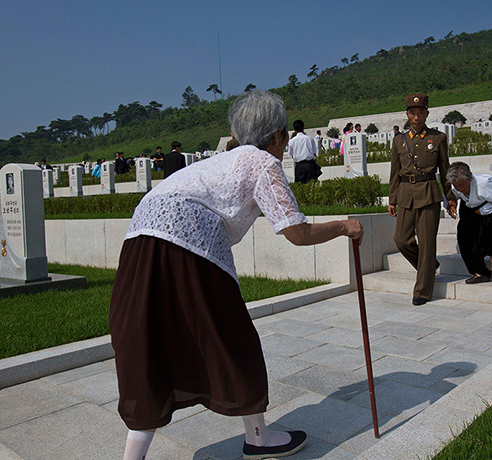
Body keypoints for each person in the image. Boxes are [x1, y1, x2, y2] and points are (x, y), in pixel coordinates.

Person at [109, 90, 363, 460]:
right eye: (285, 136)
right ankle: (258, 437)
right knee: (233, 337)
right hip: (189, 242)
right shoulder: (262, 162)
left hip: (139, 240)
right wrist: (344, 226)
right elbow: (297, 232)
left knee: (148, 340)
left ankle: (133, 457)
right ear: (277, 136)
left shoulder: (222, 160)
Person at [388, 94, 452, 306]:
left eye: (420, 112)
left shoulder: (438, 138)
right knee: (401, 239)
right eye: (412, 113)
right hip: (405, 194)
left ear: (426, 114)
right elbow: (394, 172)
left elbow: (445, 171)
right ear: (407, 115)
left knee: (426, 244)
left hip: (428, 193)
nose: (416, 117)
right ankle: (428, 266)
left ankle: (422, 291)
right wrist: (392, 199)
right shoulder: (399, 140)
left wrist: (450, 198)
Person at [446, 161, 492, 284]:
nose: (458, 187)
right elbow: (454, 194)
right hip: (469, 203)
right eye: (455, 185)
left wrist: (483, 211)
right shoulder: (456, 186)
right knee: (464, 237)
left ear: (468, 180)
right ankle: (480, 272)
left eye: (461, 185)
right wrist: (452, 203)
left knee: (490, 230)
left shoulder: (485, 185)